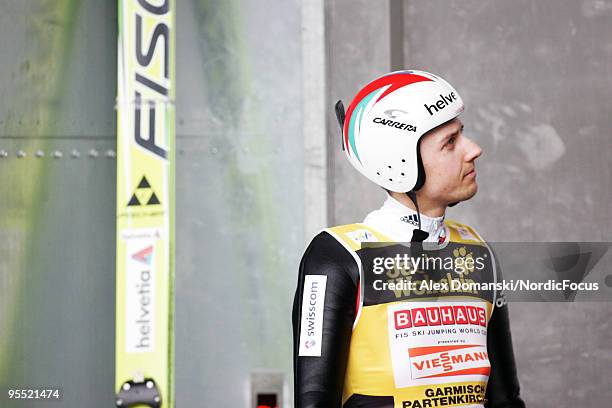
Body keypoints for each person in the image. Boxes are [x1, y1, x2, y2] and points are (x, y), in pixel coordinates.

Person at [292, 70, 525, 408]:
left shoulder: (478, 251)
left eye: (463, 135)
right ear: (400, 163)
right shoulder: (337, 257)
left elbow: (507, 400)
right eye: (450, 142)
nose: (474, 150)